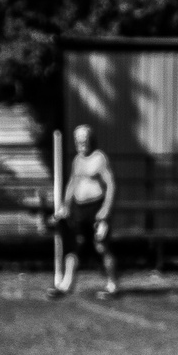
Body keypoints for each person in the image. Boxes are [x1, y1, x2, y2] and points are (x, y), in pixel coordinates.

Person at [51, 124, 119, 301]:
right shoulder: (77, 160)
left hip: (97, 209)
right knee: (74, 246)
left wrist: (105, 210)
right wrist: (65, 206)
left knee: (101, 246)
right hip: (80, 211)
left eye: (84, 139)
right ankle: (66, 284)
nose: (81, 143)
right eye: (78, 140)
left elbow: (111, 185)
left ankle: (112, 285)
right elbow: (72, 184)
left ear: (90, 139)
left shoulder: (99, 158)